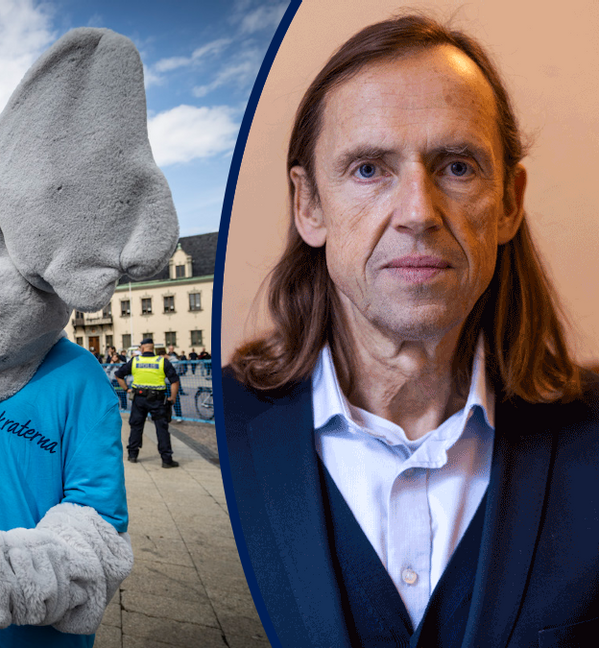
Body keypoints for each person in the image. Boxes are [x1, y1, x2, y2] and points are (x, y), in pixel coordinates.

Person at [222, 14, 596, 647]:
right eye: (369, 169)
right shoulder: (230, 429)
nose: (419, 212)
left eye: (456, 167)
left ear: (508, 202)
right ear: (308, 205)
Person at [114, 337, 180, 467]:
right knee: (162, 429)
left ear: (142, 348)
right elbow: (174, 381)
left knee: (136, 426)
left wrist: (127, 389)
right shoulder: (162, 362)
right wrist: (172, 398)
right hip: (158, 399)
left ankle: (132, 455)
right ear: (153, 348)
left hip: (139, 398)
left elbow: (118, 375)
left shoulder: (135, 361)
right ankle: (166, 459)